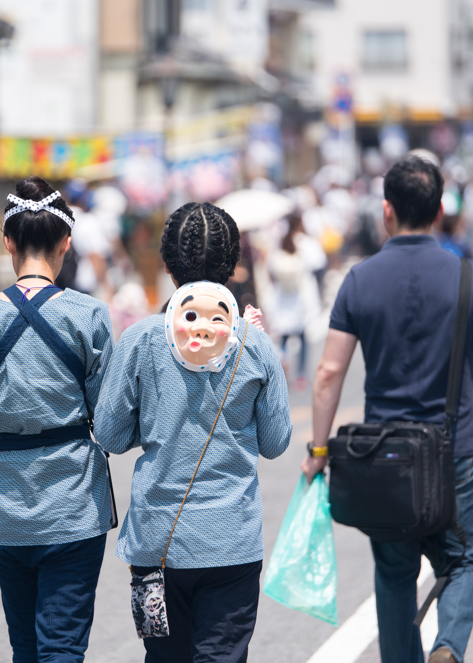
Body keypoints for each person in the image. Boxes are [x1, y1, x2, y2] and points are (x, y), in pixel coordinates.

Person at [302, 155, 473, 663]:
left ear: (386, 211)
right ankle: (448, 647)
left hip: (384, 457)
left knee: (394, 574)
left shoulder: (359, 279)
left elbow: (329, 373)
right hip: (454, 450)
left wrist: (318, 449)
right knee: (464, 561)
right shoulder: (469, 277)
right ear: (441, 210)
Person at [95, 202, 292, 662]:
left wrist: (156, 420)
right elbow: (275, 441)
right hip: (231, 541)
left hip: (156, 544)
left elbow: (108, 434)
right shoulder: (252, 340)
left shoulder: (141, 338)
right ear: (233, 265)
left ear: (166, 266)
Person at [0, 176, 114, 662]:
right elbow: (108, 422)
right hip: (74, 502)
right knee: (61, 646)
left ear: (9, 242)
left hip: (4, 503)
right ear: (66, 242)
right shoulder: (90, 316)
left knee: (25, 647)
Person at [267, 213, 323, 390]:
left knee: (283, 336)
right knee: (303, 336)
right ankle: (300, 375)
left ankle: (283, 364)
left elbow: (271, 270)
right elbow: (320, 264)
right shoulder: (307, 243)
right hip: (303, 296)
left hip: (283, 297)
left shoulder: (279, 242)